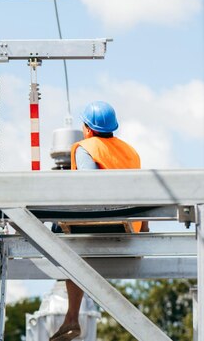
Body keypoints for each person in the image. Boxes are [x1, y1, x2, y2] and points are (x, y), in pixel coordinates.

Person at [50, 101, 148, 341]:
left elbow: (89, 187)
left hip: (101, 218)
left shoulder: (86, 147)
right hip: (130, 223)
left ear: (88, 128)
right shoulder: (130, 151)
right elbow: (142, 192)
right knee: (73, 245)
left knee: (56, 232)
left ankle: (72, 316)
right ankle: (70, 317)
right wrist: (144, 229)